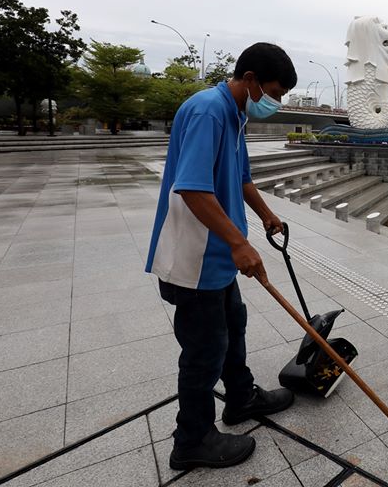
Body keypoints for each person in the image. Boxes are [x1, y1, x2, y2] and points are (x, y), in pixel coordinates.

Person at [146, 42, 298, 470]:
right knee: (203, 349)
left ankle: (241, 398)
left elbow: (242, 178)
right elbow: (192, 187)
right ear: (249, 80)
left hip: (217, 256)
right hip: (195, 256)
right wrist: (238, 242)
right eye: (273, 92)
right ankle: (192, 440)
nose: (276, 103)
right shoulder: (208, 110)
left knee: (233, 324)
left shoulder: (235, 116)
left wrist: (267, 216)